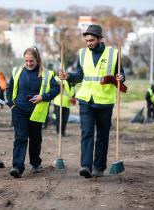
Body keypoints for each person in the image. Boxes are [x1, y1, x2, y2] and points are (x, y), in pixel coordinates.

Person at [59, 24, 126, 178]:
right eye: (87, 40)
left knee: (102, 135)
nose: (88, 43)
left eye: (92, 40)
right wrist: (68, 76)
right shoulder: (82, 54)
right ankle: (86, 166)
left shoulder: (113, 54)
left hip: (104, 101)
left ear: (99, 39)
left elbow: (121, 74)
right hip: (85, 99)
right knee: (87, 132)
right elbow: (80, 76)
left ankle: (99, 167)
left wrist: (121, 77)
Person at [7, 46, 59, 178]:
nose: (29, 64)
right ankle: (17, 167)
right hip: (19, 109)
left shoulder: (47, 74)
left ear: (37, 60)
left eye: (31, 61)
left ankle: (35, 163)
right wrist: (11, 105)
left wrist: (43, 97)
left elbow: (56, 89)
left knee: (35, 138)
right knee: (20, 137)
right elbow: (9, 88)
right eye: (26, 61)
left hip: (37, 111)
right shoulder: (17, 71)